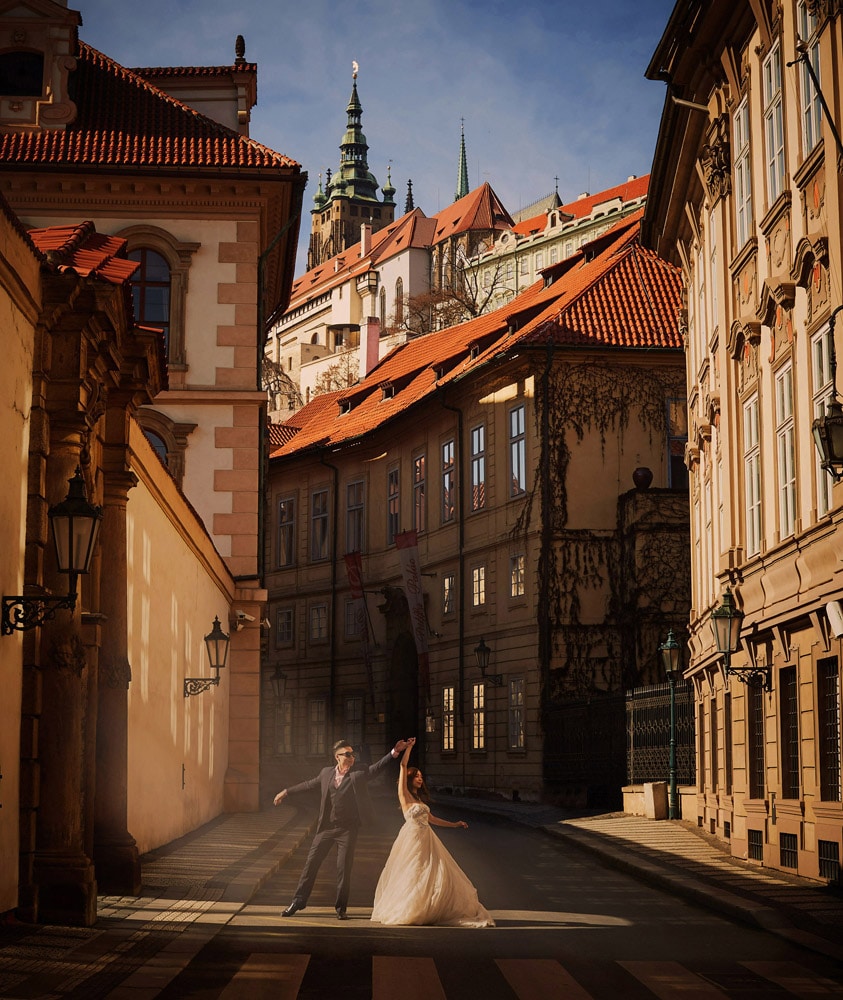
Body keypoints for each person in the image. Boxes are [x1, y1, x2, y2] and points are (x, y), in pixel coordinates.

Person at [274, 737, 411, 919]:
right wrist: (286, 792)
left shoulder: (359, 772)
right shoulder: (326, 773)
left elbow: (376, 768)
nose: (352, 756)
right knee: (311, 864)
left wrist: (395, 751)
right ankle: (298, 901)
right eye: (347, 754)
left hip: (347, 830)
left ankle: (341, 908)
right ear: (337, 757)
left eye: (352, 754)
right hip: (326, 828)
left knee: (343, 868)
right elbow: (308, 784)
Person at [370, 737, 494, 927]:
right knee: (412, 871)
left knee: (433, 872)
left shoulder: (419, 801)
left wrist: (454, 824)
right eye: (418, 775)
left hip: (427, 838)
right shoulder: (404, 796)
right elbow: (403, 766)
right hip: (411, 838)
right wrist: (409, 748)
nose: (421, 778)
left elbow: (432, 820)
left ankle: (428, 906)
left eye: (421, 776)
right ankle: (411, 907)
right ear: (411, 778)